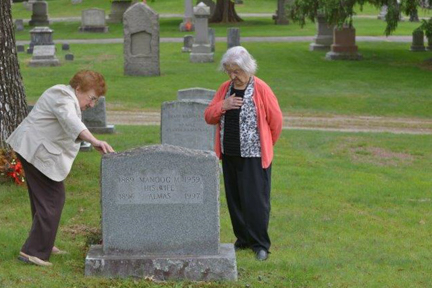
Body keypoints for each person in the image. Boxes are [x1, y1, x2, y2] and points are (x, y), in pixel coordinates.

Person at [6, 70, 115, 266]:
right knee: (53, 199)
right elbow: (71, 121)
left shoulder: (69, 98)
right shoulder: (61, 95)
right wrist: (94, 140)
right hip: (33, 150)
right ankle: (34, 252)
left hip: (35, 150)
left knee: (43, 200)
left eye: (96, 100)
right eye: (91, 98)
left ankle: (43, 244)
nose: (92, 104)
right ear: (78, 88)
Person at [204, 46, 283, 261]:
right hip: (229, 153)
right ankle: (243, 239)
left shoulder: (261, 89)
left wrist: (265, 143)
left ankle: (260, 245)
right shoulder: (224, 89)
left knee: (255, 201)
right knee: (235, 199)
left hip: (254, 155)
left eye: (236, 70)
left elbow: (276, 122)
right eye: (228, 70)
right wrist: (223, 105)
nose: (232, 75)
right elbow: (209, 116)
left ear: (247, 68)